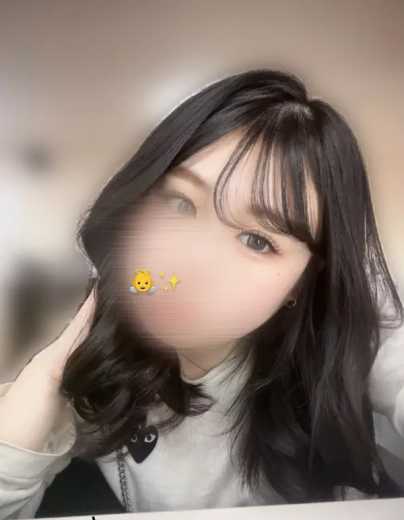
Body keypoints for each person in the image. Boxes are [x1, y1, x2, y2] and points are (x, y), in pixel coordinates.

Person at [0, 68, 403, 519]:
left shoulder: (357, 335)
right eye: (180, 204)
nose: (192, 261)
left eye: (257, 240)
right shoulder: (96, 349)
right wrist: (40, 388)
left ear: (303, 280)